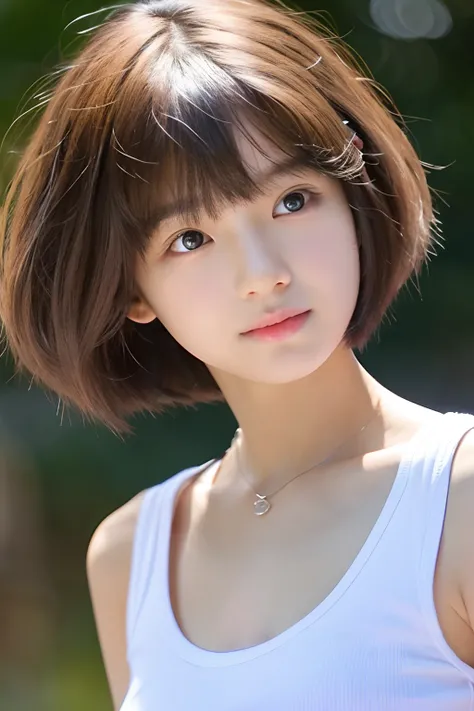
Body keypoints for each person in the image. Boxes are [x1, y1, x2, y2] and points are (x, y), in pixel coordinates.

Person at [1, 0, 473, 708]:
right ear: (132, 288)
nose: (263, 272)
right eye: (189, 238)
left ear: (354, 196)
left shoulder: (456, 502)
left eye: (291, 199)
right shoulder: (130, 557)